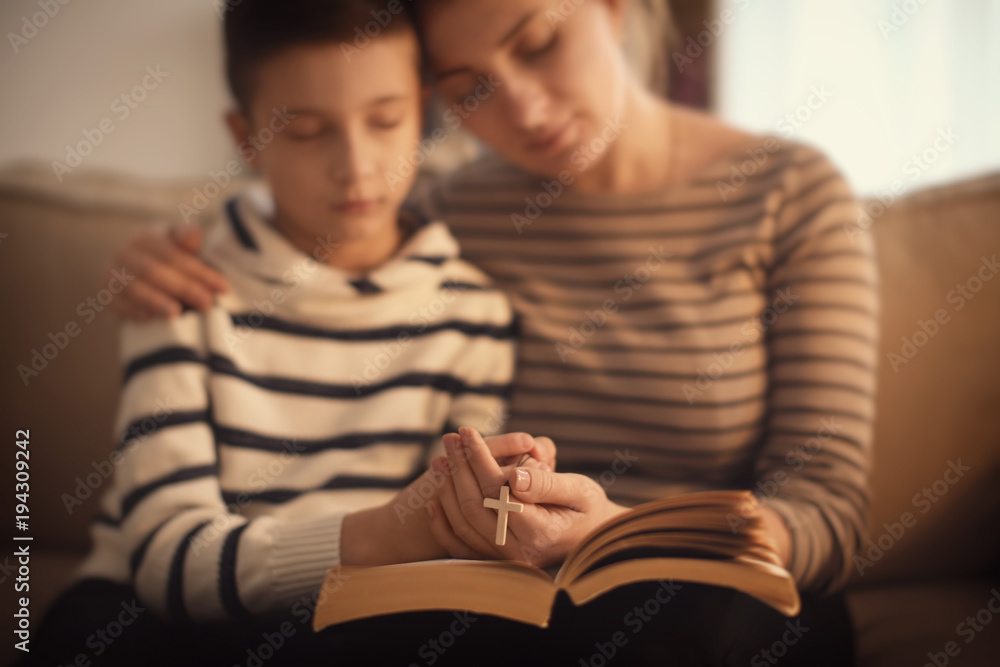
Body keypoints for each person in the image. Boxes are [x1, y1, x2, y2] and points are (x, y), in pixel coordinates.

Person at [99, 0, 878, 663]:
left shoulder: (790, 194)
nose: (526, 110)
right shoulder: (446, 212)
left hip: (714, 591)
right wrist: (160, 254)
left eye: (540, 42)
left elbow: (829, 511)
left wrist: (633, 536)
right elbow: (317, 219)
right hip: (515, 596)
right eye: (468, 88)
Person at [22, 2, 558, 665]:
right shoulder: (180, 290)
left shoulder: (473, 313)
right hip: (149, 611)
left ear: (420, 113)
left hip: (356, 611)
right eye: (305, 131)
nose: (356, 165)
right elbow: (167, 562)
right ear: (245, 139)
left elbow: (458, 534)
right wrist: (384, 533)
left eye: (386, 120)